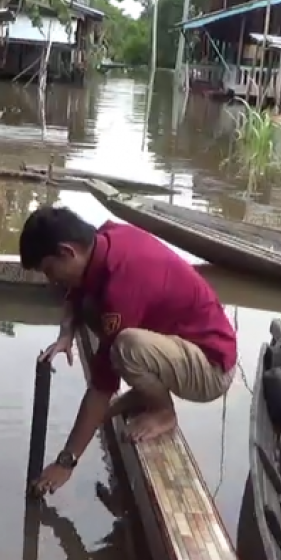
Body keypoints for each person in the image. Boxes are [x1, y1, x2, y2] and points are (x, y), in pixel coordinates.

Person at [19, 206, 237, 496]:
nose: (51, 280)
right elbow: (77, 292)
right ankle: (147, 390)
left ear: (67, 252)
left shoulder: (123, 284)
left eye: (49, 270)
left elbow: (101, 386)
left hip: (210, 367)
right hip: (179, 344)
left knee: (126, 347)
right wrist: (67, 332)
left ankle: (162, 411)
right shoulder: (107, 239)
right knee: (97, 314)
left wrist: (66, 461)